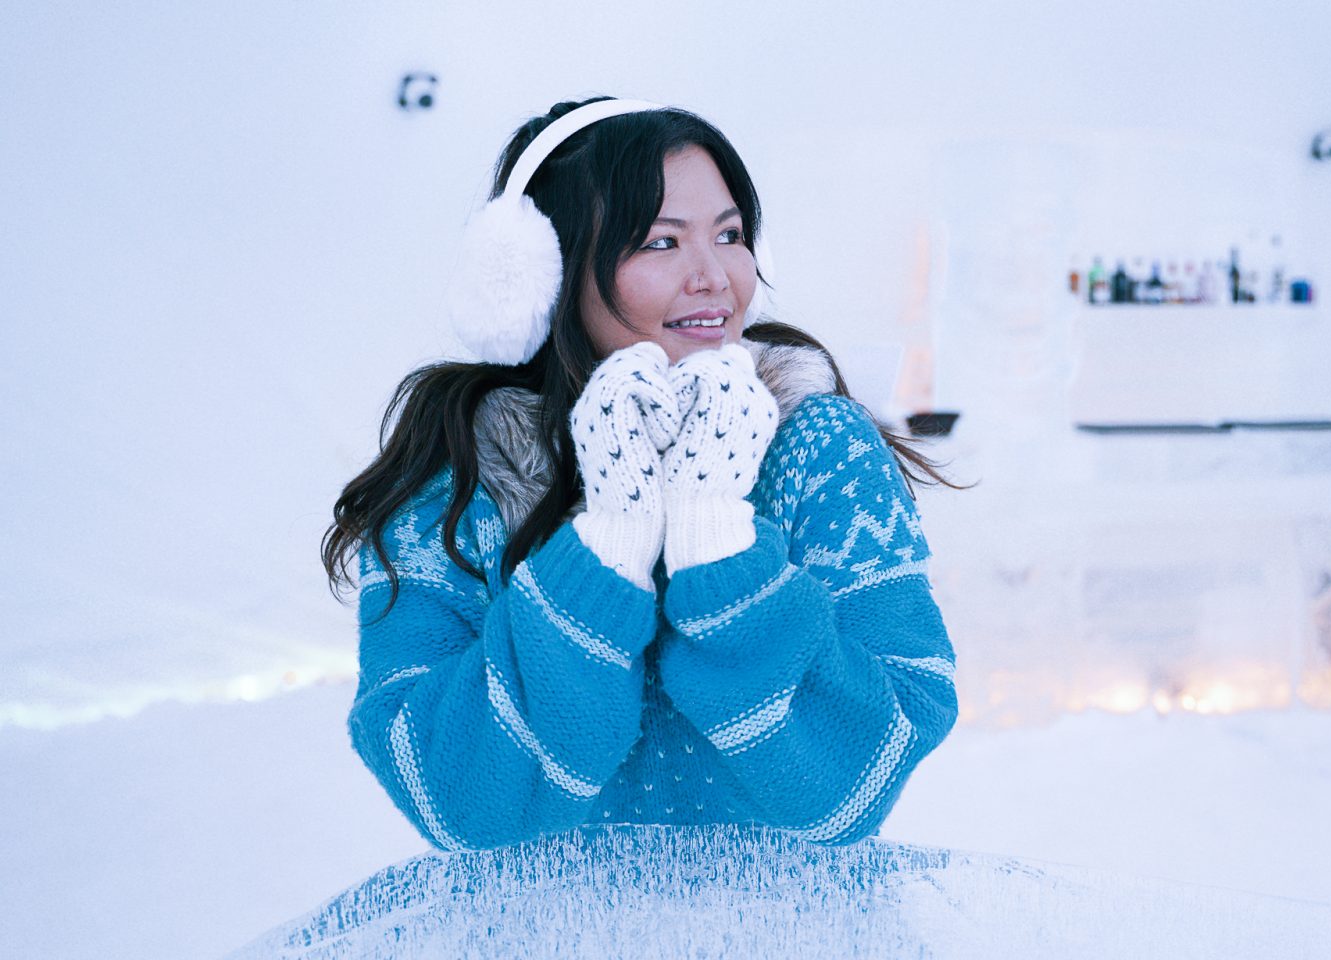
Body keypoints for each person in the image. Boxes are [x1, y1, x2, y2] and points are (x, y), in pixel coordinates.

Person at [321, 97, 960, 851]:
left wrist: (717, 539)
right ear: (545, 277)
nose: (714, 277)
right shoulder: (462, 475)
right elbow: (455, 803)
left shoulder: (820, 446)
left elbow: (858, 783)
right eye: (661, 242)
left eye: (729, 235)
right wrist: (608, 542)